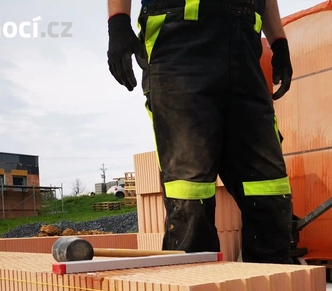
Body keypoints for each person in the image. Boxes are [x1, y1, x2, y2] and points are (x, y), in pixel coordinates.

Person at [106, 0, 295, 264]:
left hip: (243, 44)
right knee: (190, 197)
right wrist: (118, 22)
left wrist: (278, 42)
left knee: (269, 192)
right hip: (178, 39)